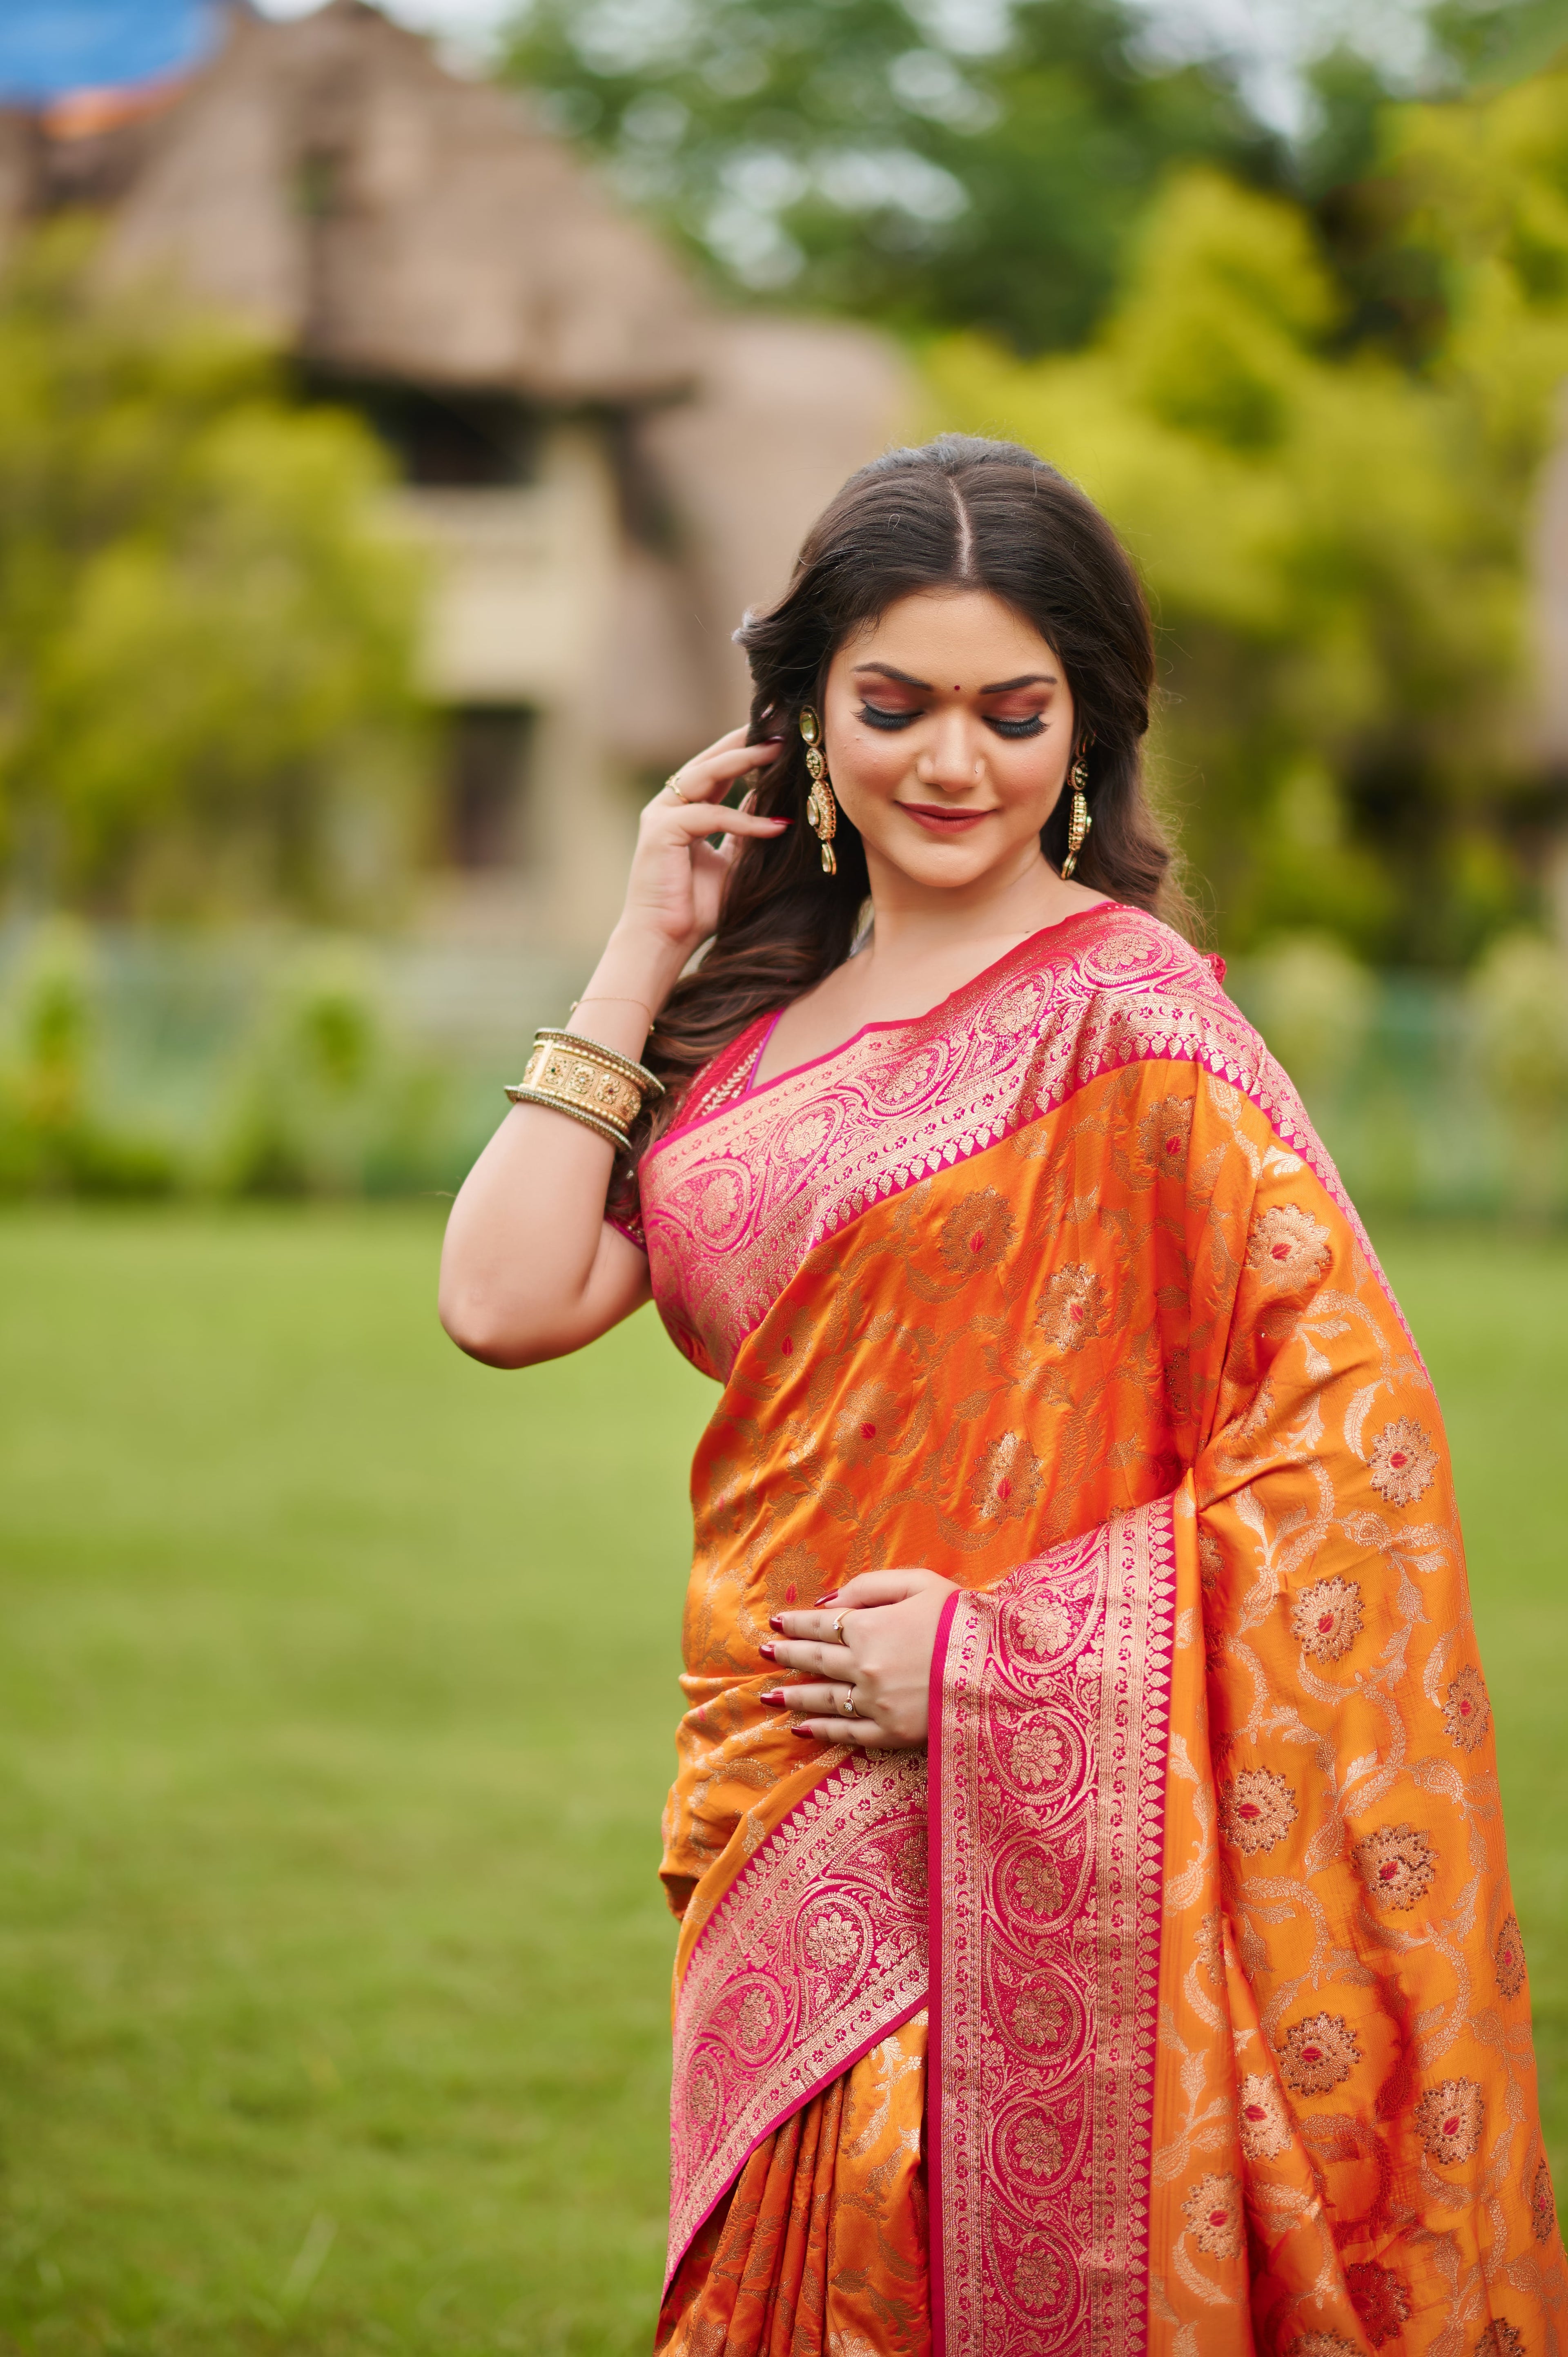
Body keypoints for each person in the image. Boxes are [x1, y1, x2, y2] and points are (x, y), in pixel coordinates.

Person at [439, 436, 1562, 2357]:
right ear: (803, 714)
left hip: (1023, 1813)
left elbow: (1352, 1457)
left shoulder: (1136, 1025)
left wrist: (1004, 1663)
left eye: (1011, 713)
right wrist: (645, 939)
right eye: (894, 706)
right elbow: (507, 1293)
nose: (952, 765)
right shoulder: (748, 1031)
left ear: (1087, 733)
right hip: (769, 1792)